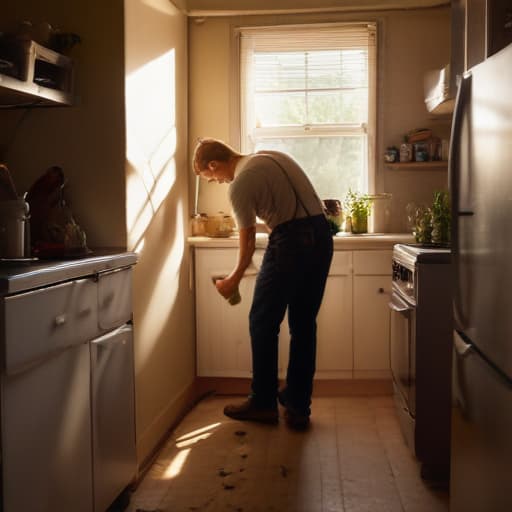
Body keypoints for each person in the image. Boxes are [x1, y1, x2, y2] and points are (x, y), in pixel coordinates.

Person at [193, 138, 333, 430]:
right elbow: (285, 213)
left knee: (262, 322)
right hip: (321, 236)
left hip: (290, 242)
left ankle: (263, 403)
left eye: (212, 178)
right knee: (304, 324)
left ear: (213, 165)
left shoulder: (240, 183)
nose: (218, 182)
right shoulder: (271, 156)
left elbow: (247, 240)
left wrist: (233, 279)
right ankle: (297, 407)